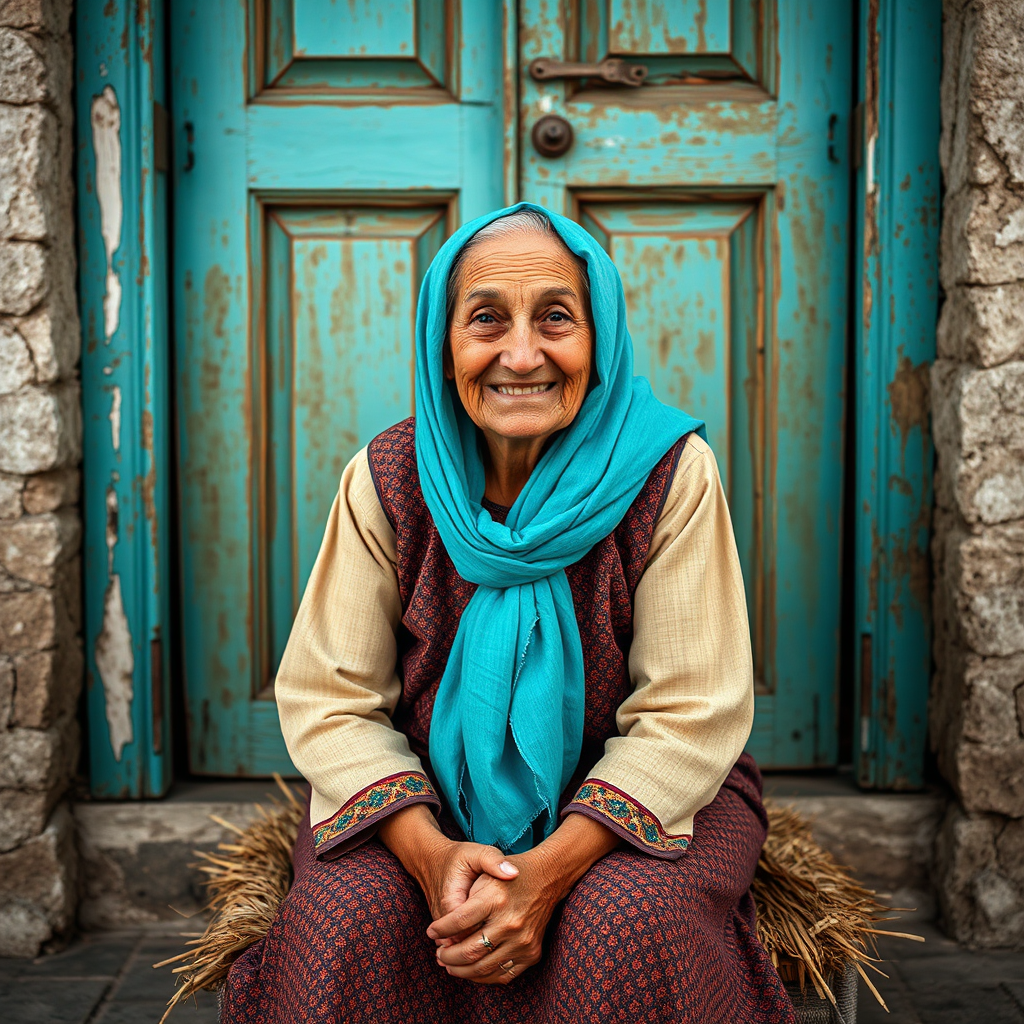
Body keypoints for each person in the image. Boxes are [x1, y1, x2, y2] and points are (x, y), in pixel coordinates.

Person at [221, 204, 795, 1024]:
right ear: (442, 341)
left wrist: (551, 870)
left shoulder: (670, 473)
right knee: (343, 922)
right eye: (486, 318)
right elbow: (330, 698)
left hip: (651, 796)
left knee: (625, 925)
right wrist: (429, 854)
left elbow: (690, 712)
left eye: (556, 318)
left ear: (598, 338)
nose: (521, 355)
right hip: (425, 797)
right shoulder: (389, 476)